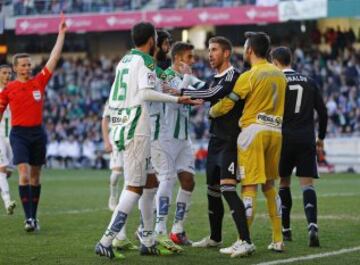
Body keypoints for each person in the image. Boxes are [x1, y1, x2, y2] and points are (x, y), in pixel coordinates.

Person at [94, 22, 200, 259]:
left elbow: (118, 94)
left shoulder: (124, 60)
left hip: (130, 127)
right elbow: (144, 93)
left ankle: (148, 238)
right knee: (134, 187)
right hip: (138, 129)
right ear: (152, 41)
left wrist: (177, 90)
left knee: (150, 183)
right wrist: (177, 100)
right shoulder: (145, 61)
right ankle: (107, 239)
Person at [210, 32, 287, 252]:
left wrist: (212, 111)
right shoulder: (280, 75)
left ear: (250, 50)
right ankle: (277, 238)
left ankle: (243, 240)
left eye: (244, 48)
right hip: (275, 131)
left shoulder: (249, 76)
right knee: (270, 186)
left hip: (253, 132)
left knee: (249, 187)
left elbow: (228, 104)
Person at [179, 36, 254, 258]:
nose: (209, 54)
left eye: (214, 50)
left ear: (227, 53)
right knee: (212, 190)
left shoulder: (234, 76)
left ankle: (246, 241)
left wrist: (184, 91)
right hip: (215, 139)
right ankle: (215, 237)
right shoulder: (215, 78)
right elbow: (207, 88)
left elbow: (212, 94)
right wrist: (189, 79)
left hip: (231, 139)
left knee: (228, 190)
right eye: (209, 50)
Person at [0, 18, 67, 231]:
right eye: (23, 65)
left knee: (36, 177)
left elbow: (54, 58)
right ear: (15, 68)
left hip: (38, 134)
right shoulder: (8, 89)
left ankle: (34, 217)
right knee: (24, 173)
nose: (28, 68)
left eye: (29, 64)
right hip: (18, 135)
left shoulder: (39, 81)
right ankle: (28, 219)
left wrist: (61, 34)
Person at [270, 46, 328, 247]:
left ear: (276, 62)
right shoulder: (309, 81)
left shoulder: (276, 81)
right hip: (305, 139)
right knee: (307, 185)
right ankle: (312, 225)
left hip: (284, 139)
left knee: (283, 183)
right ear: (290, 60)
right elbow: (323, 112)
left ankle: (286, 229)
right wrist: (320, 138)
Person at [152, 42, 202, 247]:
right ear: (179, 59)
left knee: (189, 181)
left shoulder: (188, 77)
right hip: (166, 137)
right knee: (167, 180)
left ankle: (177, 230)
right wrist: (186, 91)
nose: (193, 61)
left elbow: (202, 92)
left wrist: (188, 87)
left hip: (183, 138)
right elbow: (184, 95)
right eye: (190, 57)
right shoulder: (163, 76)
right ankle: (159, 229)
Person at [101, 100, 138, 251]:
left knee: (131, 184)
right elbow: (106, 119)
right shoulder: (114, 97)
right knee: (116, 174)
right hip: (117, 138)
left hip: (131, 138)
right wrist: (106, 141)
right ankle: (112, 195)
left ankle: (124, 236)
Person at [0, 65, 16, 215]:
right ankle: (7, 202)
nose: (7, 76)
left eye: (9, 73)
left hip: (14, 136)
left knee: (8, 172)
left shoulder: (15, 91)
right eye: (4, 73)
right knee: (2, 169)